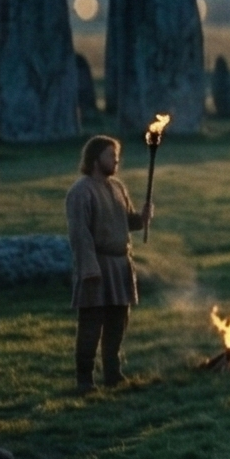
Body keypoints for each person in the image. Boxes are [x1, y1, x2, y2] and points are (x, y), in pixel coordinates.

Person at [66, 134, 152, 391]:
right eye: (111, 155)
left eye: (117, 155)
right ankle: (84, 379)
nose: (116, 160)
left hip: (120, 264)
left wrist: (142, 218)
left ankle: (113, 373)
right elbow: (80, 234)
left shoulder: (118, 187)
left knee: (117, 322)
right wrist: (89, 269)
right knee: (91, 325)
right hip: (97, 265)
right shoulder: (81, 192)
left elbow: (126, 222)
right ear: (95, 159)